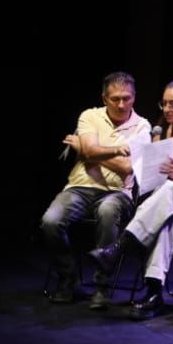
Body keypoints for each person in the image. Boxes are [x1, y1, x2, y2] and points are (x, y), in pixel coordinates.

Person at [89, 78, 173, 319]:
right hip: (170, 202)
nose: (167, 109)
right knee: (165, 221)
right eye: (164, 104)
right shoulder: (166, 130)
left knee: (171, 191)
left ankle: (119, 248)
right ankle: (153, 294)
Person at [38, 72, 150, 309]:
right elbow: (92, 151)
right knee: (50, 221)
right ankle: (68, 277)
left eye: (127, 99)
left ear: (134, 98)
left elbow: (128, 168)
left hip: (118, 192)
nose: (121, 104)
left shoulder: (142, 126)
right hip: (80, 187)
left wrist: (89, 150)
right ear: (104, 98)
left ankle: (102, 286)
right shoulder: (89, 115)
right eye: (115, 99)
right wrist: (112, 150)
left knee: (109, 211)